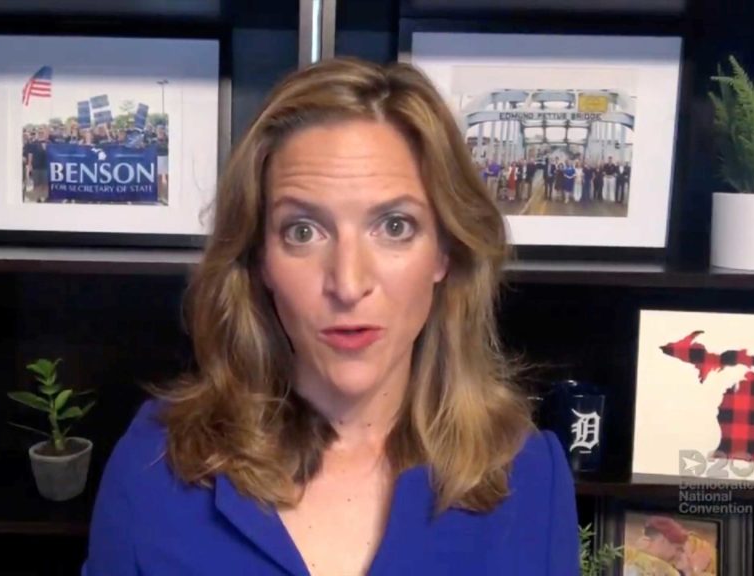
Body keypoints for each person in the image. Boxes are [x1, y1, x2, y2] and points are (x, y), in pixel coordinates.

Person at [84, 57, 578, 575]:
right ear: (260, 261)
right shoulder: (154, 469)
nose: (347, 283)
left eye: (394, 226)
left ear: (444, 252)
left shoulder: (530, 480)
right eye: (303, 231)